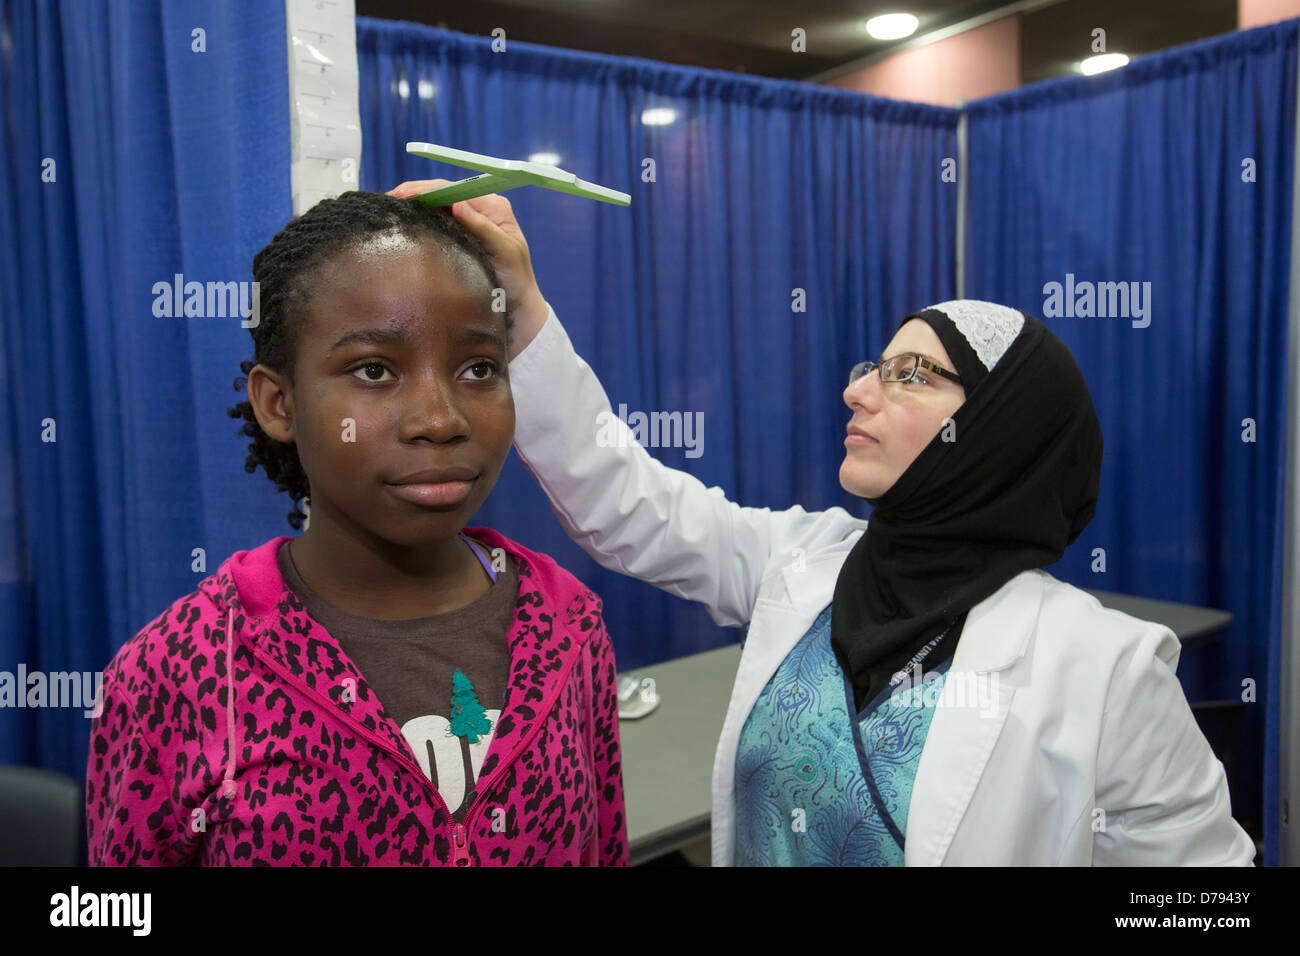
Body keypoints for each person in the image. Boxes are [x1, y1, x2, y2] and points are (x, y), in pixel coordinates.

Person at [388, 178, 1256, 866]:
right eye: (873, 365)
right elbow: (623, 499)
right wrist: (522, 304)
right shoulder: (805, 566)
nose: (859, 389)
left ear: (996, 432)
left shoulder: (1105, 670)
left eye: (912, 374)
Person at [86, 191, 628, 866]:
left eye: (478, 368)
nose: (440, 418)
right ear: (279, 404)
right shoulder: (180, 673)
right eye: (374, 370)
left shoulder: (568, 625)